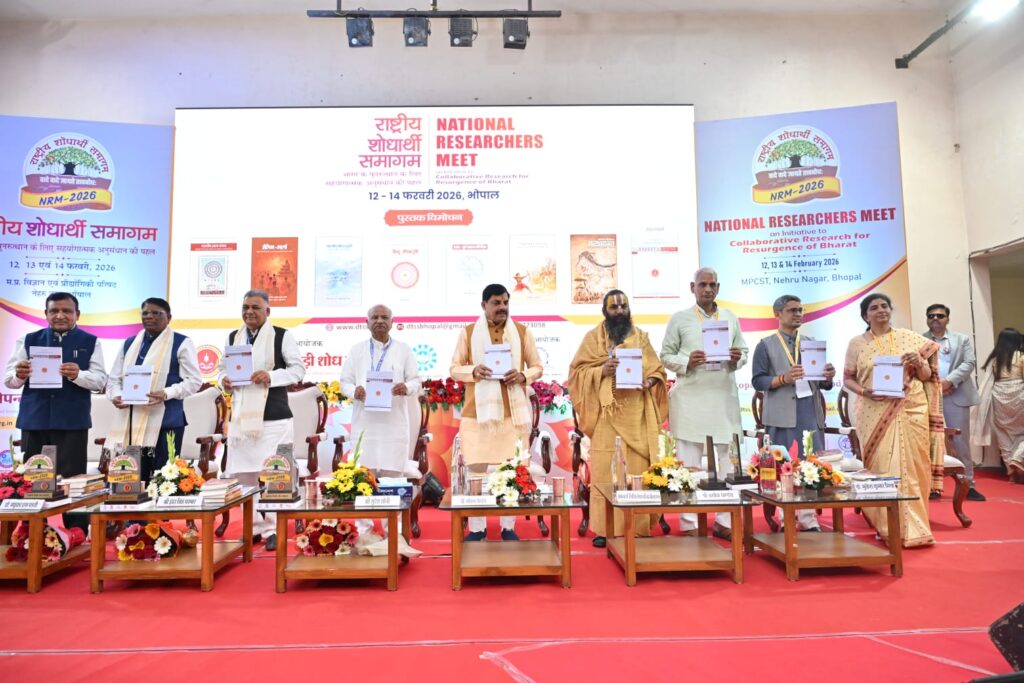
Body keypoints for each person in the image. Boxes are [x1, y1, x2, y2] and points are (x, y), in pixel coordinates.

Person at [567, 290, 668, 547]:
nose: (620, 311)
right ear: (605, 311)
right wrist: (601, 370)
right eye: (614, 307)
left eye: (624, 306)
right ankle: (605, 528)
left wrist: (649, 381)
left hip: (637, 414)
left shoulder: (641, 337)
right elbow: (576, 373)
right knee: (605, 470)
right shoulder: (593, 339)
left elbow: (657, 370)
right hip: (607, 414)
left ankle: (639, 527)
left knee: (638, 470)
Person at [843, 292, 943, 548]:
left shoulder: (910, 338)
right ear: (865, 315)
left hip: (911, 409)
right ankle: (887, 525)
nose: (881, 310)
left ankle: (917, 527)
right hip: (874, 411)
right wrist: (865, 392)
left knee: (915, 466)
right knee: (882, 467)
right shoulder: (857, 344)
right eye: (874, 308)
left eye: (884, 306)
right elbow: (848, 379)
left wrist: (919, 362)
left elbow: (927, 376)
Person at [4, 292, 107, 532]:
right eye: (54, 311)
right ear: (46, 314)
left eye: (66, 311)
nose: (60, 315)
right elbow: (9, 381)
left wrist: (78, 375)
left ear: (77, 314)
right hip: (35, 419)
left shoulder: (91, 342)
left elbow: (100, 381)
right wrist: (19, 374)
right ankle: (32, 532)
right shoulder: (27, 340)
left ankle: (77, 532)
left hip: (72, 421)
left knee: (74, 481)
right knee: (34, 479)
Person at [450, 284, 543, 541]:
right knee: (476, 470)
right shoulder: (468, 333)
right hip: (477, 415)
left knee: (512, 471)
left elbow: (537, 366)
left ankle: (508, 526)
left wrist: (523, 375)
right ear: (484, 305)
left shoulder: (522, 332)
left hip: (513, 415)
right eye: (496, 302)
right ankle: (477, 528)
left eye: (505, 302)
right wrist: (473, 371)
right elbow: (454, 368)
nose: (502, 307)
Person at [660, 267, 748, 539]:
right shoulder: (680, 318)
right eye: (702, 285)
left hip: (723, 398)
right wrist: (686, 361)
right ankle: (690, 522)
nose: (707, 289)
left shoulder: (730, 317)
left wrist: (737, 358)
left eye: (712, 285)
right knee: (689, 464)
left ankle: (725, 521)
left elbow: (744, 351)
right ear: (693, 287)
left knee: (728, 464)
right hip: (690, 400)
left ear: (718, 288)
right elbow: (665, 355)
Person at [218, 290, 305, 551]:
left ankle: (273, 528)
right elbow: (222, 369)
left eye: (255, 307)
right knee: (245, 476)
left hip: (274, 417)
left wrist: (271, 376)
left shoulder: (281, 335)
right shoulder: (233, 337)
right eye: (245, 307)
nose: (249, 312)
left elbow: (298, 370)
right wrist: (223, 380)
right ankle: (253, 526)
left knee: (275, 474)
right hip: (242, 420)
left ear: (267, 311)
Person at [750, 294, 836, 531]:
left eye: (800, 310)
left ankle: (808, 519)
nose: (798, 314)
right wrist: (783, 379)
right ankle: (785, 517)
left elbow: (823, 384)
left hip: (808, 411)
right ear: (777, 314)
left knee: (810, 465)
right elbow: (758, 380)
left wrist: (828, 377)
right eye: (792, 310)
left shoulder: (811, 344)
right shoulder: (765, 345)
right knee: (784, 466)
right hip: (781, 414)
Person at [340, 304, 422, 536]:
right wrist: (354, 391)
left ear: (392, 322)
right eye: (374, 317)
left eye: (384, 317)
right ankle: (364, 532)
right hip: (365, 426)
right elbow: (344, 382)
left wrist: (406, 387)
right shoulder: (356, 351)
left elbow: (416, 381)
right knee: (362, 478)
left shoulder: (403, 350)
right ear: (366, 323)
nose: (379, 321)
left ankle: (394, 533)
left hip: (393, 426)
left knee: (393, 478)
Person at [106, 298, 202, 483]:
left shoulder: (181, 342)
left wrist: (166, 393)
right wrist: (116, 395)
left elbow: (194, 381)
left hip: (166, 422)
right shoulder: (130, 343)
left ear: (169, 317)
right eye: (145, 313)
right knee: (132, 479)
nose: (149, 316)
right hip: (132, 423)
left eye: (156, 313)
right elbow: (114, 379)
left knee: (163, 479)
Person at [923, 303, 983, 501]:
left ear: (947, 319)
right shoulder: (920, 340)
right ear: (927, 319)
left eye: (940, 316)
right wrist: (936, 385)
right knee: (929, 441)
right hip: (929, 396)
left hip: (956, 394)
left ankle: (968, 485)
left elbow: (969, 363)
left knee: (960, 442)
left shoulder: (961, 339)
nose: (935, 318)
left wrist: (949, 381)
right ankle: (932, 486)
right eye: (931, 315)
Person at [973, 328, 1024, 482]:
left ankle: (1011, 472)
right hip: (1019, 396)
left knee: (1004, 435)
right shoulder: (1021, 357)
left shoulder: (995, 359)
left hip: (999, 397)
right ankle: (1018, 458)